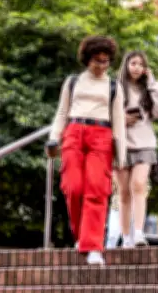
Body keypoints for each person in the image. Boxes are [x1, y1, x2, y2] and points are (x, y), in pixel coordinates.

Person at [46, 35, 126, 266]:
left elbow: (119, 122)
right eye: (96, 61)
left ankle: (92, 246)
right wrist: (53, 138)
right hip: (73, 131)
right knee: (72, 187)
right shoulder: (72, 82)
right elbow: (62, 112)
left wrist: (121, 155)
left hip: (101, 135)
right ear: (87, 59)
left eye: (106, 61)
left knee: (96, 190)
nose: (101, 66)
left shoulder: (113, 87)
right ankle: (82, 236)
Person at [115, 50, 158, 248]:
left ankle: (139, 232)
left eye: (140, 64)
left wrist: (153, 84)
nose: (136, 67)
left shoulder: (148, 88)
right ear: (126, 65)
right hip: (120, 144)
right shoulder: (115, 88)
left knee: (139, 185)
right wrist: (121, 117)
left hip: (144, 142)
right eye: (133, 63)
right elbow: (104, 114)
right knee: (123, 192)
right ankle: (126, 236)